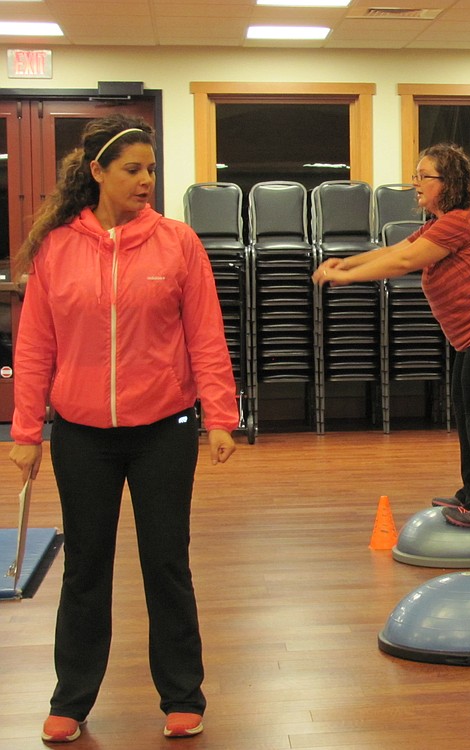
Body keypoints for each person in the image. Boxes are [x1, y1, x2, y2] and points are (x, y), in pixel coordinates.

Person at [7, 114, 238, 743]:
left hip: (164, 428)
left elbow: (205, 335)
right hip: (81, 435)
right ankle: (71, 699)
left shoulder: (178, 243)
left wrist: (221, 414)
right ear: (97, 171)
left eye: (151, 169)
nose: (145, 181)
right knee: (86, 567)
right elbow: (34, 348)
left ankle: (183, 696)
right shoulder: (57, 247)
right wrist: (25, 432)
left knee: (167, 564)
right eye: (132, 169)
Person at [313, 143, 470, 528]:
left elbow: (402, 262)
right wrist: (345, 261)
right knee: (466, 408)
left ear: (447, 183)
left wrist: (342, 277)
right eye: (415, 176)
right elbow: (397, 247)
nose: (415, 183)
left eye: (423, 176)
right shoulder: (439, 224)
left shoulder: (460, 222)